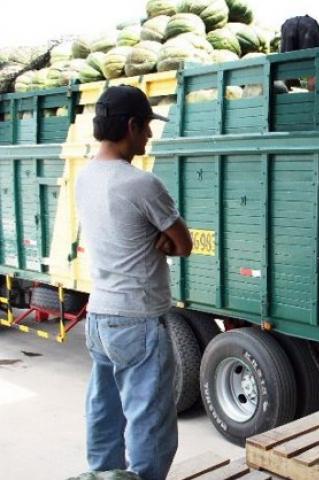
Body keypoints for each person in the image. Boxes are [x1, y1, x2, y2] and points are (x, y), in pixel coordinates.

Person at [75, 85, 193, 480]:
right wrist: (161, 239)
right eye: (146, 128)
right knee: (150, 424)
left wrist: (156, 237)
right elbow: (184, 243)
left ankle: (103, 475)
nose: (149, 136)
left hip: (100, 316)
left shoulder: (85, 177)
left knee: (104, 410)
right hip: (138, 320)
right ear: (131, 125)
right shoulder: (141, 184)